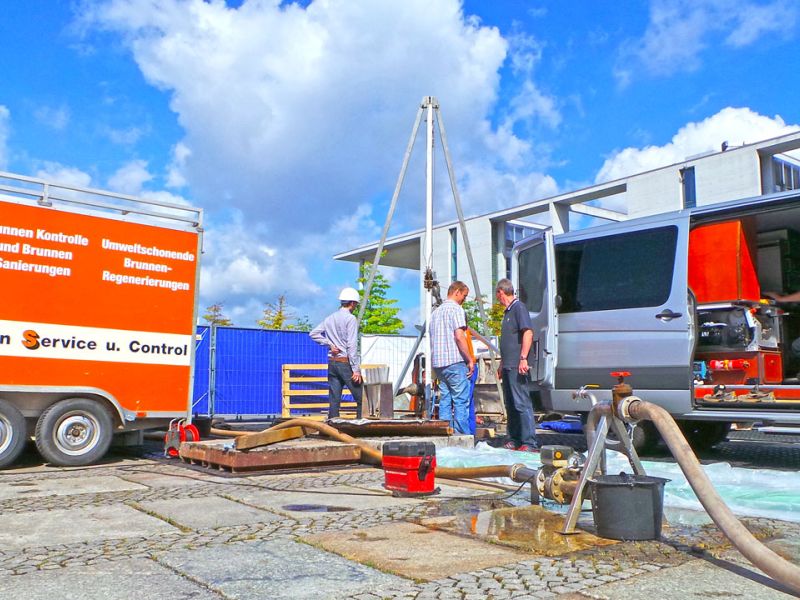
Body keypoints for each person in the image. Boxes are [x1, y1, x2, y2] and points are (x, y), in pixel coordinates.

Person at [495, 278, 538, 452]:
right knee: (511, 403)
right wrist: (502, 364)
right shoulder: (508, 312)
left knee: (521, 403)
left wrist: (523, 358)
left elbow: (527, 332)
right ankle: (513, 438)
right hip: (508, 365)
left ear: (501, 292)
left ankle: (529, 442)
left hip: (517, 364)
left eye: (497, 294)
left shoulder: (519, 308)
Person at [429, 280, 475, 434]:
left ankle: (446, 433)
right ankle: (462, 437)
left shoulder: (435, 313)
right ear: (457, 292)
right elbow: (459, 337)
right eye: (464, 295)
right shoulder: (456, 310)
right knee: (461, 401)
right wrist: (469, 359)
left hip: (439, 364)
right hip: (455, 361)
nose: (464, 299)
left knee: (445, 401)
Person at [309, 287, 363, 419]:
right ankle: (362, 426)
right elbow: (351, 345)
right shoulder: (350, 319)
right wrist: (356, 370)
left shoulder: (329, 318)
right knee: (362, 397)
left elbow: (313, 333)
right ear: (352, 303)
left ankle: (333, 425)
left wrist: (330, 344)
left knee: (334, 398)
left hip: (332, 363)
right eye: (356, 304)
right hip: (345, 363)